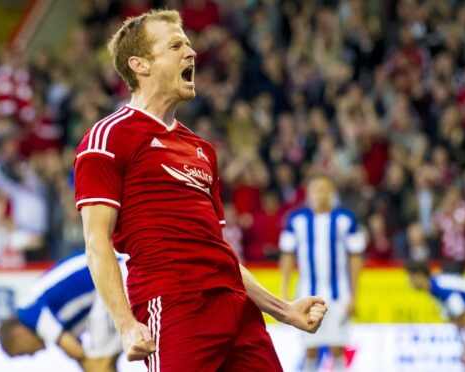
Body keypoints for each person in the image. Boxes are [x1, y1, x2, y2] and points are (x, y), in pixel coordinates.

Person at [74, 9, 327, 372]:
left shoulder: (202, 149)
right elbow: (96, 242)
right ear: (140, 65)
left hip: (239, 311)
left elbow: (219, 250)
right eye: (176, 45)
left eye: (189, 44)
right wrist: (126, 324)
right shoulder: (109, 138)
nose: (191, 53)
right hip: (175, 305)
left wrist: (283, 310)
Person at [279, 174, 365, 371]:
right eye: (316, 189)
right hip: (306, 293)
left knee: (337, 347)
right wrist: (285, 289)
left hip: (339, 294)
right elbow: (287, 256)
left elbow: (355, 258)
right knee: (310, 347)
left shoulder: (346, 218)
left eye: (325, 189)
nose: (321, 194)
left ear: (332, 192)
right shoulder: (296, 219)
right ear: (308, 193)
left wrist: (354, 295)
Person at [0, 251, 124, 372]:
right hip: (114, 273)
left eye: (22, 353)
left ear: (18, 336)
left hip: (112, 278)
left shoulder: (29, 313)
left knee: (99, 364)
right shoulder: (33, 306)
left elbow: (77, 352)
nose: (31, 355)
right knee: (103, 361)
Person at [406, 261, 465, 371]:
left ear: (419, 276)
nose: (408, 283)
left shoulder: (440, 288)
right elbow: (458, 321)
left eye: (410, 277)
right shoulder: (435, 287)